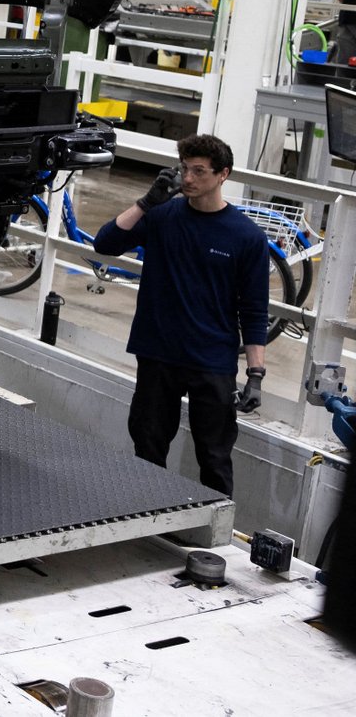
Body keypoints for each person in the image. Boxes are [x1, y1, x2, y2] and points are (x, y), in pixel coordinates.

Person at [92, 135, 269, 496]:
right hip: (158, 352)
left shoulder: (247, 237)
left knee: (214, 456)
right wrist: (145, 203)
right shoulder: (161, 216)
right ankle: (145, 515)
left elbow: (254, 309)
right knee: (148, 446)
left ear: (223, 174)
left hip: (212, 359)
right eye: (185, 168)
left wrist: (256, 374)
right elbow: (105, 243)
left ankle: (215, 526)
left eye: (199, 171)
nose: (188, 178)